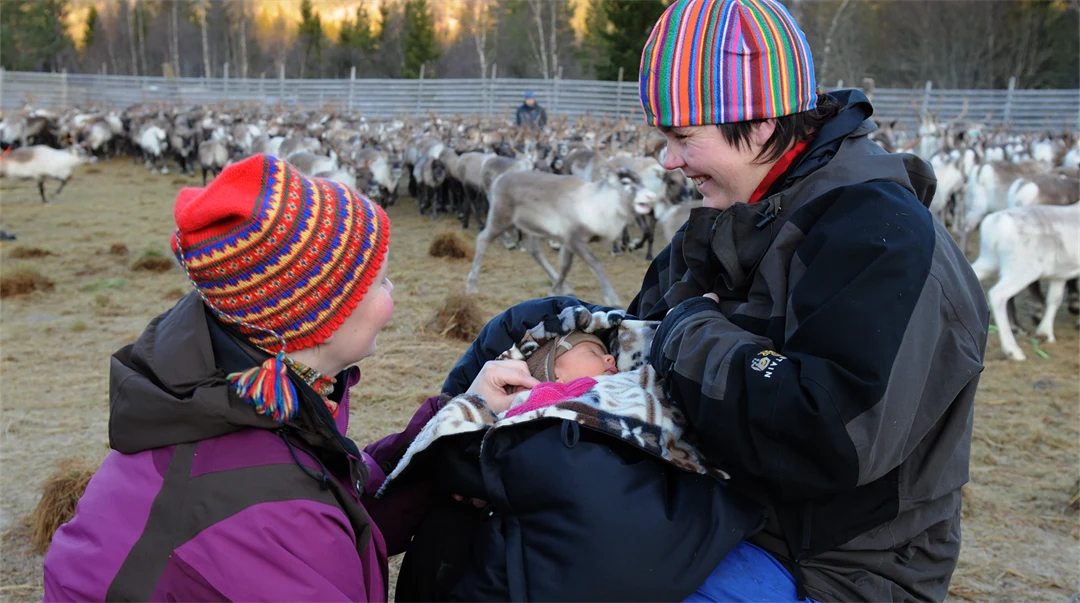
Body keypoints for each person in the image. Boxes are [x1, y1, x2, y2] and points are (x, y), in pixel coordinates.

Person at [41, 155, 538, 602]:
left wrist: (454, 423)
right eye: (380, 281)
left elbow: (338, 508)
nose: (395, 293)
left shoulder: (242, 396)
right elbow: (303, 521)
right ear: (316, 316)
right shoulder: (264, 511)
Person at [633, 0, 989, 602]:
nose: (666, 159)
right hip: (735, 508)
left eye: (682, 137)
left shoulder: (880, 237)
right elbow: (644, 325)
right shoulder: (739, 213)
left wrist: (690, 333)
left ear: (762, 123)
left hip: (840, 563)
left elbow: (825, 432)